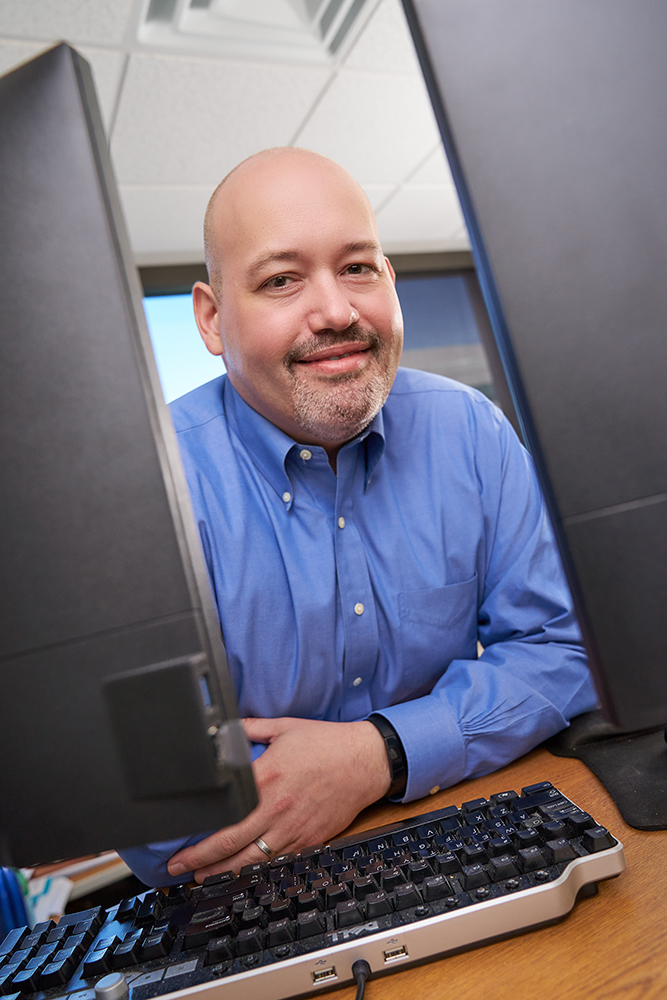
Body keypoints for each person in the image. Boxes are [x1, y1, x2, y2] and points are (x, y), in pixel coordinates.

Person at [118, 147, 597, 887]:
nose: (337, 311)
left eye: (358, 268)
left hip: (464, 842)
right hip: (260, 897)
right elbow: (156, 820)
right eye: (281, 280)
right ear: (212, 321)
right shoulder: (143, 490)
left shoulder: (470, 431)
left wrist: (380, 754)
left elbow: (565, 649)